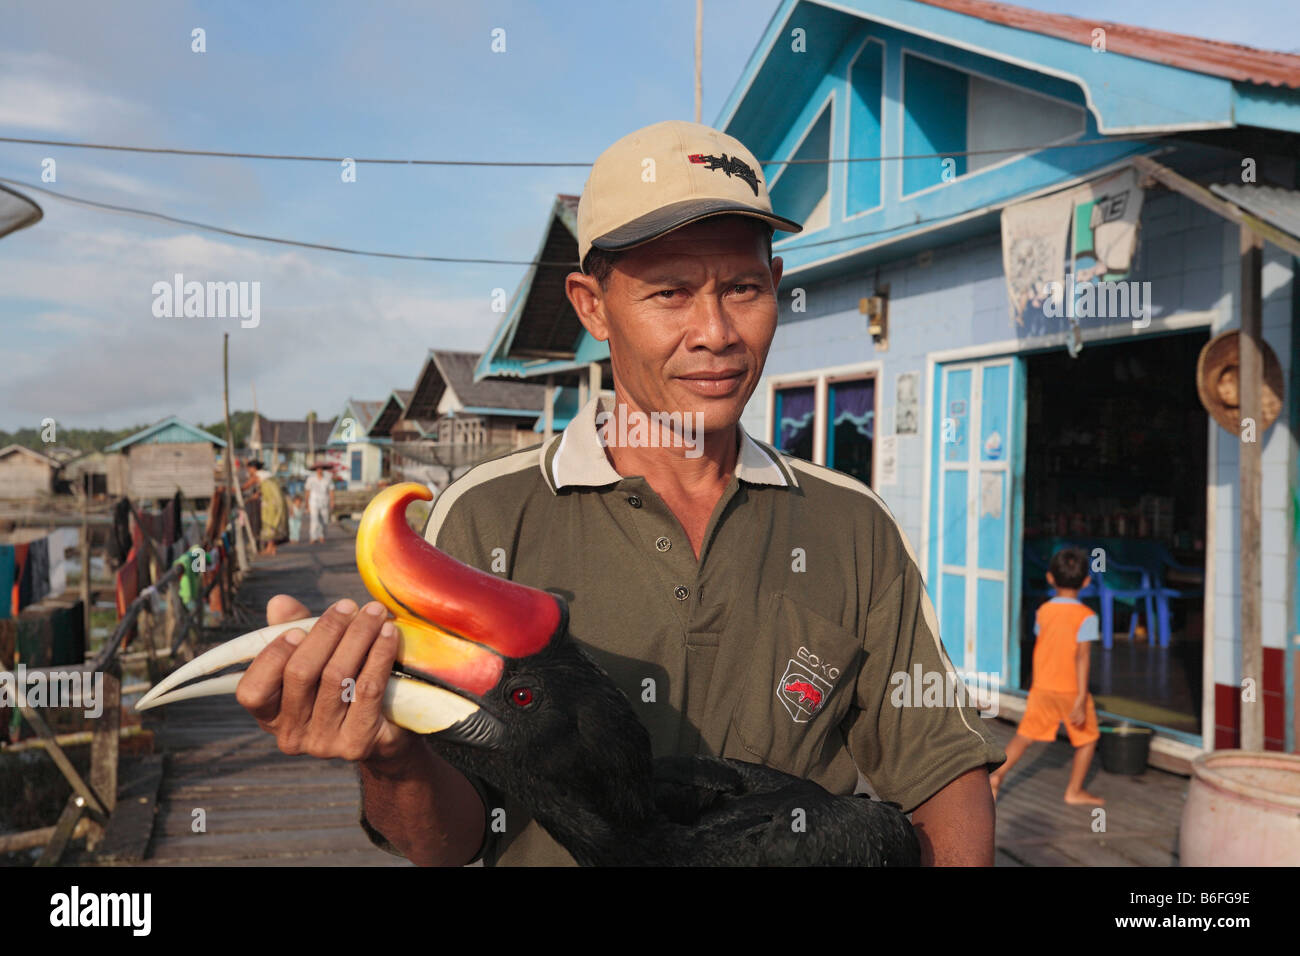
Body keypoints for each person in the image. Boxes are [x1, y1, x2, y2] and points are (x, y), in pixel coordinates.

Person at [235, 120, 1004, 867]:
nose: (715, 331)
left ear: (776, 287)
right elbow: (448, 841)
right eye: (669, 294)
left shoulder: (850, 524)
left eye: (742, 287)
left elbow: (943, 770)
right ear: (591, 306)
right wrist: (391, 759)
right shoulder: (488, 516)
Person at [989, 547, 1104, 805]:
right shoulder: (1087, 617)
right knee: (1088, 740)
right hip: (1071, 690)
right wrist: (1081, 697)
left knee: (1025, 736)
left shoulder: (1043, 611)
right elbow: (1082, 657)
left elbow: (1044, 644)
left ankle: (997, 776)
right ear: (1086, 582)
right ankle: (1074, 791)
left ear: (1050, 578)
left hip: (1042, 687)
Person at [243, 460, 287, 557]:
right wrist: (251, 498)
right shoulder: (267, 474)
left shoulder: (257, 475)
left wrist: (229, 489)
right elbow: (261, 491)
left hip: (271, 503)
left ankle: (269, 548)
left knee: (269, 523)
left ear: (253, 468)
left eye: (249, 469)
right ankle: (272, 548)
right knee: (274, 523)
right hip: (278, 502)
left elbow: (244, 487)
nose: (248, 471)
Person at [303, 464, 333, 544]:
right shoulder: (311, 479)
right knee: (314, 520)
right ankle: (313, 537)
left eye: (321, 469)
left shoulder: (327, 479)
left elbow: (331, 491)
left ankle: (321, 536)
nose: (319, 470)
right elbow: (307, 491)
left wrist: (332, 502)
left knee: (324, 520)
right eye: (318, 469)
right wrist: (307, 504)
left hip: (324, 502)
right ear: (316, 470)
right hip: (313, 501)